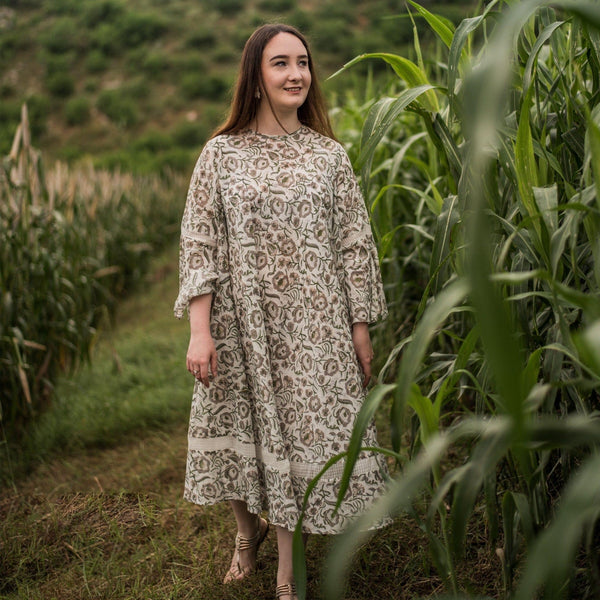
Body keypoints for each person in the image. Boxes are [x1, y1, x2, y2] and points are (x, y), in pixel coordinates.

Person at [174, 23, 389, 600]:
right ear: (256, 77)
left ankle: (288, 576)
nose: (296, 74)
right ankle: (247, 535)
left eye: (303, 62)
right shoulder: (221, 153)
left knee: (299, 441)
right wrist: (200, 330)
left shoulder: (329, 156)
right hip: (239, 321)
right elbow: (201, 241)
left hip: (312, 328)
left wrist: (360, 326)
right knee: (236, 427)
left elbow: (355, 245)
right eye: (280, 63)